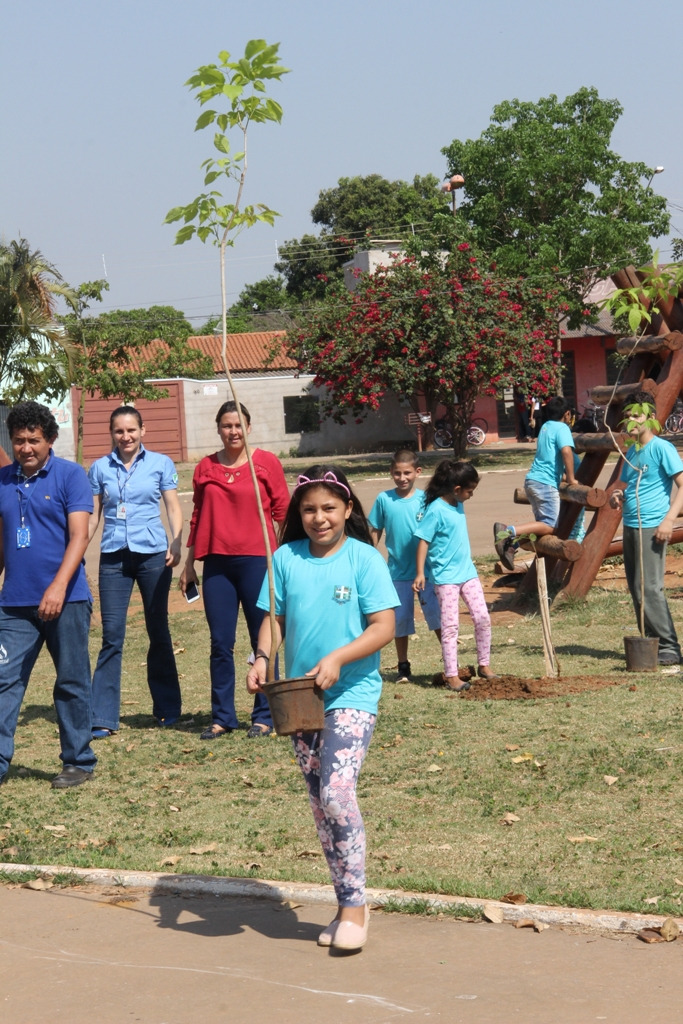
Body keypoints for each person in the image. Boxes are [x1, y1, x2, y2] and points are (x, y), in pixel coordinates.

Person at [247, 465, 398, 952]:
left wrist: (337, 657)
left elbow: (383, 628)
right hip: (299, 699)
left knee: (336, 792)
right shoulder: (285, 558)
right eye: (308, 509)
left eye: (329, 508)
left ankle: (356, 907)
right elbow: (274, 617)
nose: (319, 518)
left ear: (348, 509)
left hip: (352, 694)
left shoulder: (364, 559)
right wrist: (262, 658)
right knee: (320, 805)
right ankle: (344, 901)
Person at [0, 401, 96, 788]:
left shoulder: (71, 476)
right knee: (4, 678)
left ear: (50, 439)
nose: (26, 448)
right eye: (19, 440)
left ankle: (78, 761)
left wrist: (58, 586)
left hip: (67, 600)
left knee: (71, 681)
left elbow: (80, 536)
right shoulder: (3, 480)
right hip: (14, 604)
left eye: (34, 440)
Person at [180, 400, 290, 739]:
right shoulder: (205, 467)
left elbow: (284, 513)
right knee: (220, 642)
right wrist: (188, 564)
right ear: (218, 428)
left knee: (264, 641)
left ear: (249, 427)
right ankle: (223, 717)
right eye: (227, 425)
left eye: (239, 425)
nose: (233, 431)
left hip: (259, 561)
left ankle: (264, 715)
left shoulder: (265, 464)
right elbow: (198, 516)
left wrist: (283, 560)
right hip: (217, 564)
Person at [88, 406, 183, 737]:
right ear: (111, 433)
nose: (125, 437)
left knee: (158, 630)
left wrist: (176, 542)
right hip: (113, 557)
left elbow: (172, 505)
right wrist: (78, 552)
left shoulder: (160, 464)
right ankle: (101, 716)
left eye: (131, 430)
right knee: (112, 635)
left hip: (154, 555)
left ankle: (167, 709)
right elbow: (93, 514)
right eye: (119, 431)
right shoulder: (99, 468)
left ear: (143, 431)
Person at [610, 390, 683, 666]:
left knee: (650, 588)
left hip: (652, 526)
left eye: (636, 414)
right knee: (636, 588)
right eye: (627, 416)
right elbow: (630, 486)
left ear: (651, 417)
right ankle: (651, 643)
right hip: (631, 524)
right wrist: (618, 496)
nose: (631, 420)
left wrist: (669, 520)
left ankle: (670, 647)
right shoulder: (633, 451)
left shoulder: (661, 448)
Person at [413, 460, 497, 691]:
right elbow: (423, 541)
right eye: (470, 491)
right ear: (457, 489)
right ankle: (451, 675)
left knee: (482, 618)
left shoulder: (458, 503)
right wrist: (420, 573)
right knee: (450, 627)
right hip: (446, 579)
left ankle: (484, 665)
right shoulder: (436, 510)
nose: (472, 495)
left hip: (468, 574)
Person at [368, 448, 441, 682]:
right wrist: (371, 556)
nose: (402, 478)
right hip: (397, 573)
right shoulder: (384, 499)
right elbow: (375, 529)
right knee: (400, 621)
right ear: (391, 473)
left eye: (407, 473)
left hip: (427, 572)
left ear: (417, 472)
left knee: (438, 617)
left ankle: (451, 660)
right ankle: (403, 665)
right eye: (397, 473)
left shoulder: (426, 500)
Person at [494, 395, 577, 570]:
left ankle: (512, 546)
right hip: (545, 484)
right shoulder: (562, 428)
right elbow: (567, 452)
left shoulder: (545, 427)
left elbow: (549, 458)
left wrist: (560, 476)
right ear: (567, 414)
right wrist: (571, 478)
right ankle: (507, 532)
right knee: (550, 525)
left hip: (533, 480)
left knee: (541, 527)